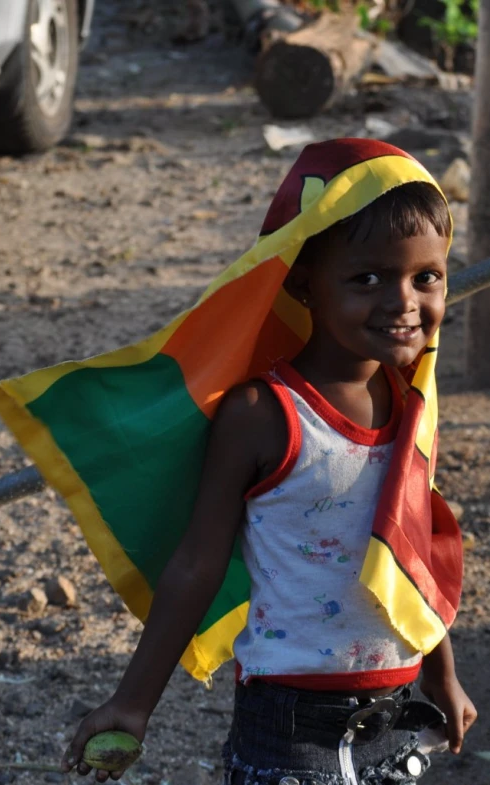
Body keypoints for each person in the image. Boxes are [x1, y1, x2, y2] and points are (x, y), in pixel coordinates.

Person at [61, 139, 476, 785]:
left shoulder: (410, 404)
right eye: (366, 277)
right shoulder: (264, 413)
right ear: (302, 282)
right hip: (289, 724)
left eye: (426, 277)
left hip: (396, 717)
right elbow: (197, 562)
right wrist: (132, 701)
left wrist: (442, 675)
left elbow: (409, 549)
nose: (402, 301)